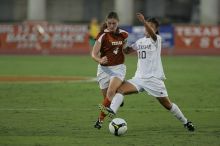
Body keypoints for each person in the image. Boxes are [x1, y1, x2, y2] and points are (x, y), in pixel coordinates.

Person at [99, 13, 195, 132]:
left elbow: (153, 35)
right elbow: (127, 51)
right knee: (120, 90)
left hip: (154, 80)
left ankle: (185, 122)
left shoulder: (157, 40)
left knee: (167, 105)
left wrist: (144, 21)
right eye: (146, 26)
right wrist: (122, 44)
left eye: (150, 26)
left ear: (155, 30)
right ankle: (112, 110)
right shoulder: (140, 41)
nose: (146, 28)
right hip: (139, 79)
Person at [91, 11, 128, 129]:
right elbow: (93, 54)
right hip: (103, 70)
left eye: (114, 23)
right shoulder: (102, 35)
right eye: (110, 23)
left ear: (118, 23)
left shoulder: (124, 34)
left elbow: (125, 49)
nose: (112, 25)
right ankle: (118, 98)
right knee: (107, 98)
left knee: (111, 92)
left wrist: (131, 49)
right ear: (106, 23)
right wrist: (99, 60)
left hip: (118, 68)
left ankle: (100, 120)